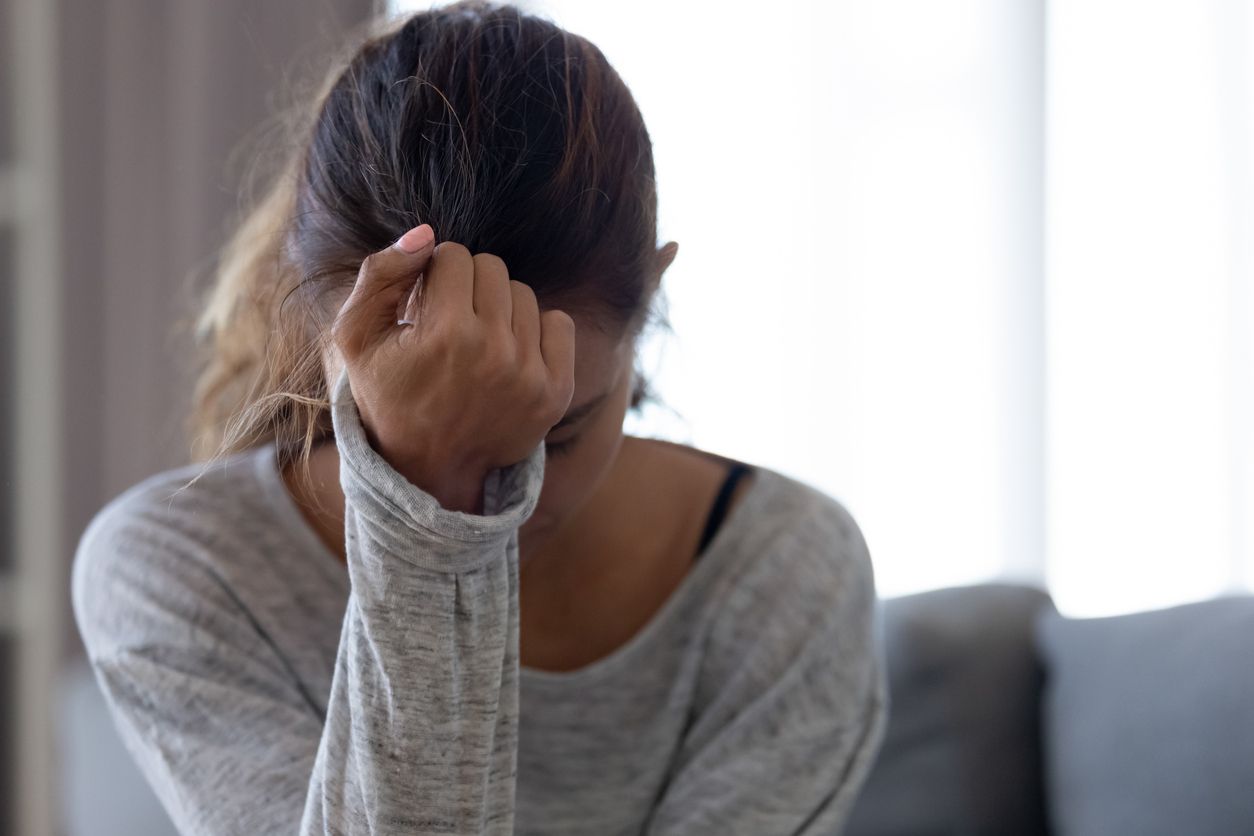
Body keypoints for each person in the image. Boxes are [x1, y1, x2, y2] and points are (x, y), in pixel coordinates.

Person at [70, 1, 887, 833]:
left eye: (553, 434)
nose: (510, 494)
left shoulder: (783, 571)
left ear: (654, 297)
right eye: (402, 407)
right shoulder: (179, 569)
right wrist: (423, 519)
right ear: (320, 330)